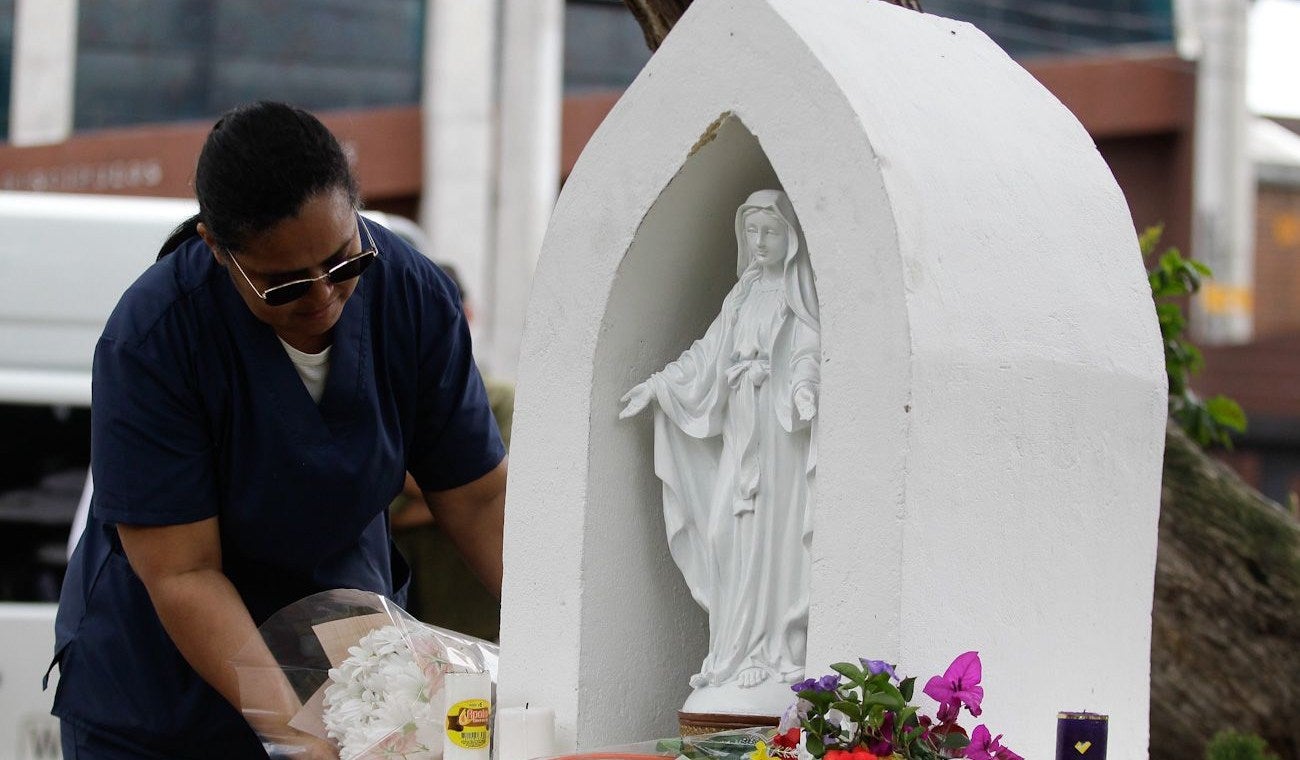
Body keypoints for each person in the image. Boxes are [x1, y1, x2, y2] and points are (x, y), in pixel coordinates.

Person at [49, 102, 507, 759]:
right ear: (216, 248)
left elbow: (480, 499)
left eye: (342, 262)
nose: (322, 297)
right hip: (162, 702)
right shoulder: (154, 339)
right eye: (282, 285)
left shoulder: (412, 295)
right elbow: (184, 573)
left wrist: (560, 648)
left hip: (345, 666)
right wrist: (296, 736)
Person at [619, 189, 819, 715]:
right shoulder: (742, 294)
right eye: (752, 231)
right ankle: (732, 651)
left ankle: (772, 652)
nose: (760, 242)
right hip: (742, 429)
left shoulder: (796, 296)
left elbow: (808, 350)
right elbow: (707, 355)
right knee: (724, 533)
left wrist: (805, 388)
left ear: (790, 237)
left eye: (770, 232)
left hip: (779, 436)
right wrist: (660, 385)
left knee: (772, 536)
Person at [391, 262, 513, 639]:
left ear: (467, 314)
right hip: (416, 612)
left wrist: (410, 481)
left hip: (482, 611)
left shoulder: (502, 401)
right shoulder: (396, 405)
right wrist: (464, 488)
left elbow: (511, 500)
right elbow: (389, 513)